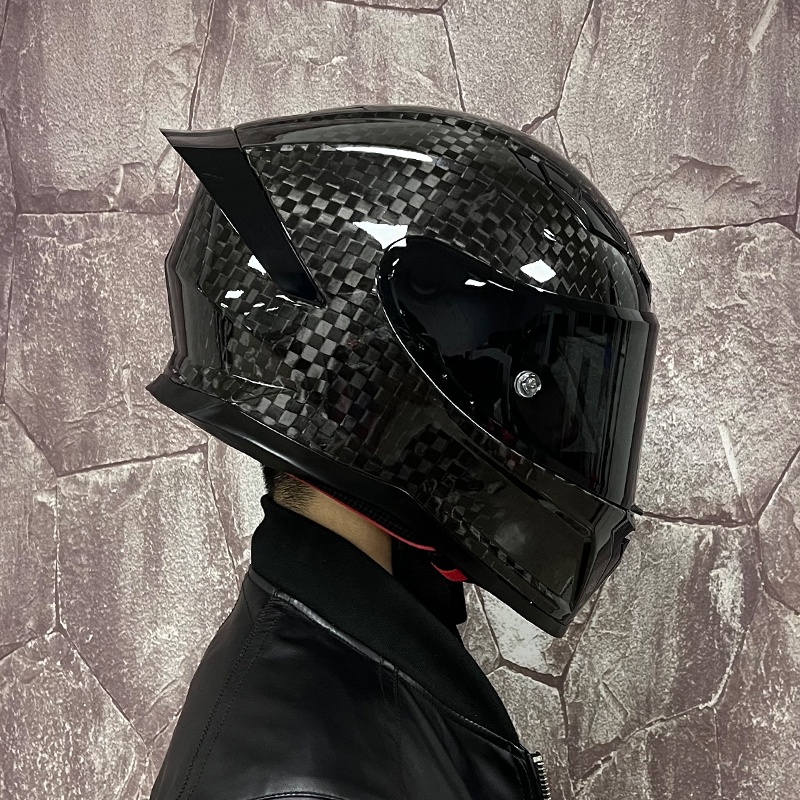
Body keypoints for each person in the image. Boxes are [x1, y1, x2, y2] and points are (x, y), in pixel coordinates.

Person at [146, 105, 660, 800]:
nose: (561, 424)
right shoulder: (302, 784)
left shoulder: (355, 649)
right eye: (536, 382)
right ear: (389, 391)